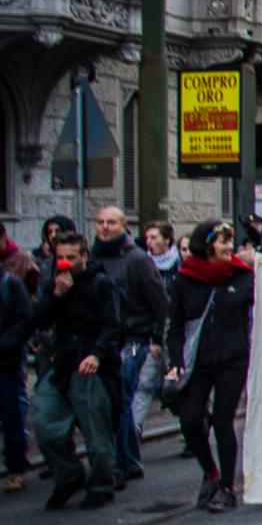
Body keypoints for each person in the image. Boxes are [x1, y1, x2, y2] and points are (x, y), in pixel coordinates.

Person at [164, 221, 255, 513]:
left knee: (222, 421)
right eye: (222, 242)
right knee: (190, 419)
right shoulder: (186, 279)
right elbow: (175, 325)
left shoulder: (243, 277)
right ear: (207, 245)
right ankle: (210, 471)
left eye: (230, 242)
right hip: (200, 361)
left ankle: (228, 487)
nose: (229, 247)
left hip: (233, 359)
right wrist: (176, 360)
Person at [31, 232, 121, 511]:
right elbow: (40, 320)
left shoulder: (101, 284)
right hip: (63, 364)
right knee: (45, 422)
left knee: (95, 430)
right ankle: (68, 473)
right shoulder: (54, 284)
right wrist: (56, 296)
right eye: (60, 257)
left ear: (84, 256)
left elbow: (113, 324)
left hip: (92, 365)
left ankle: (102, 484)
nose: (65, 263)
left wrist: (97, 354)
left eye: (71, 257)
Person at [90, 205, 168, 485]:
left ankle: (119, 463)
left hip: (133, 338)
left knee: (119, 398)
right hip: (103, 340)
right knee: (112, 402)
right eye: (100, 222)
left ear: (124, 226)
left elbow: (160, 301)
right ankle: (129, 459)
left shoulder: (137, 259)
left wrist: (158, 339)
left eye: (111, 222)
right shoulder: (91, 257)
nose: (105, 227)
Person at [0, 231, 32, 492]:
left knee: (10, 415)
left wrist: (2, 346)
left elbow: (25, 321)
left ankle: (16, 468)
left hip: (3, 363)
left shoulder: (8, 284)